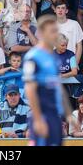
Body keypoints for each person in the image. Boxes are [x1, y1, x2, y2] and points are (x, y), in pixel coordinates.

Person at [23, 14, 73, 146]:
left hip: (55, 115)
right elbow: (29, 88)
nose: (56, 34)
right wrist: (38, 119)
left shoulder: (53, 57)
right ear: (41, 33)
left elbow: (58, 87)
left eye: (56, 30)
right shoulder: (33, 57)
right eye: (52, 31)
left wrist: (68, 114)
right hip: (43, 114)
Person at [55, 0, 83, 66]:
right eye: (58, 8)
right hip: (54, 62)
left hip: (71, 62)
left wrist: (75, 64)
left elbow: (79, 46)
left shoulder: (74, 24)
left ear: (66, 11)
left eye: (63, 8)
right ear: (55, 10)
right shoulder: (50, 26)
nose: (60, 10)